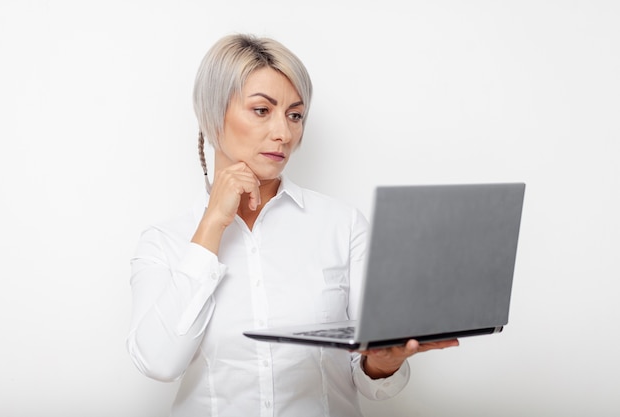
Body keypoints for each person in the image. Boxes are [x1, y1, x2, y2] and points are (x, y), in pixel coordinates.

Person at [126, 33, 459, 417]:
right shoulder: (163, 242)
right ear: (213, 115)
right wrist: (214, 223)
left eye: (295, 115)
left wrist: (383, 363)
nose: (284, 133)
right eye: (262, 110)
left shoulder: (342, 226)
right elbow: (158, 363)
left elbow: (368, 376)